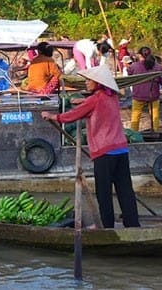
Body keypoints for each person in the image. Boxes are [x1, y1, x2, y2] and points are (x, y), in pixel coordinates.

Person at [41, 65, 140, 229]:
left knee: (103, 192)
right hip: (121, 150)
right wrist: (83, 101)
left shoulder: (95, 100)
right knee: (125, 190)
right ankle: (133, 224)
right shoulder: (112, 96)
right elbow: (94, 105)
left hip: (105, 151)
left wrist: (53, 116)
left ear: (98, 83)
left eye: (89, 80)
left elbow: (72, 115)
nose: (86, 83)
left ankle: (106, 226)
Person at [127, 46, 162, 132]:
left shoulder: (134, 66)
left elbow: (129, 75)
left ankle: (134, 135)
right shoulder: (158, 67)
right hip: (153, 95)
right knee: (155, 117)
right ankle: (156, 133)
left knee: (135, 118)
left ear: (140, 55)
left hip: (139, 95)